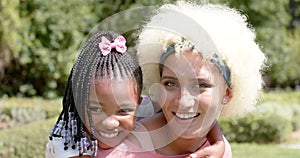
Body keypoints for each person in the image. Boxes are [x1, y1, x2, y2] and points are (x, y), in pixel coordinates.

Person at [45, 30, 226, 158]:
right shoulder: (68, 141)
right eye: (95, 108)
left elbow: (191, 113)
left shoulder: (146, 106)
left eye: (123, 111)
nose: (110, 122)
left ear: (138, 103)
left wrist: (219, 143)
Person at [132, 1, 266, 157]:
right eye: (170, 83)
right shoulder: (122, 146)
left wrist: (218, 142)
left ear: (227, 94)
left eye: (201, 85)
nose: (184, 101)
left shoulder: (218, 151)